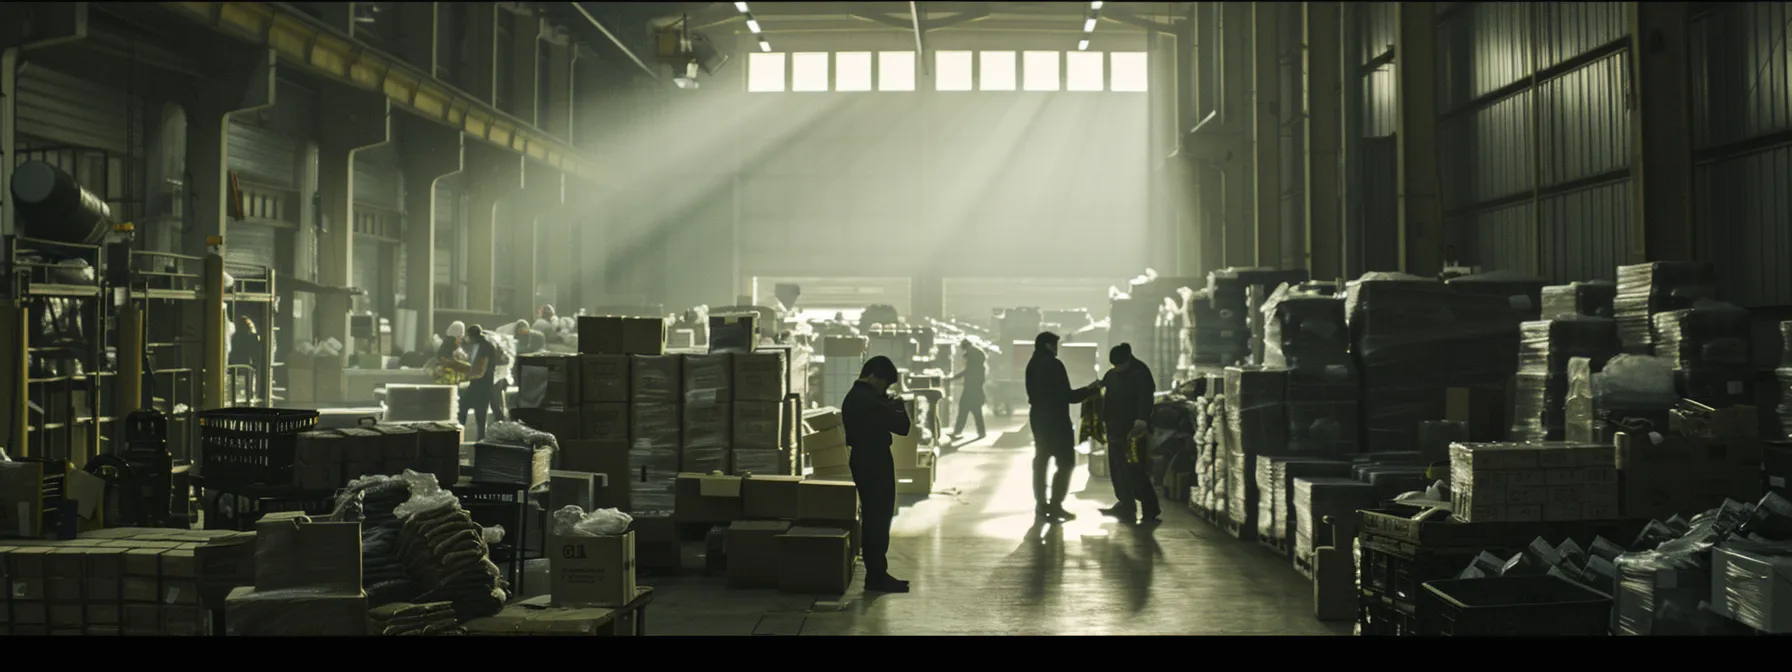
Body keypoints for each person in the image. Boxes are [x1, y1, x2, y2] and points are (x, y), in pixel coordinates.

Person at [842, 355, 913, 594]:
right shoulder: (867, 399)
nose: (886, 389)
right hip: (874, 460)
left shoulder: (855, 397)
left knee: (875, 516)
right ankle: (876, 577)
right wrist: (898, 403)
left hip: (864, 459)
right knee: (878, 518)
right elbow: (903, 426)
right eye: (885, 384)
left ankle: (878, 574)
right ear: (873, 377)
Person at [1025, 332, 1101, 522]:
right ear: (1049, 346)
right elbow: (1068, 396)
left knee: (1042, 460)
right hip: (1057, 419)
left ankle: (1041, 506)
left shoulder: (1032, 365)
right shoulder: (1054, 365)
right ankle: (1056, 505)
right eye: (1055, 345)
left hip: (1038, 418)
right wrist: (1090, 390)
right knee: (1066, 462)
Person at [1099, 343, 1161, 525]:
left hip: (1133, 431)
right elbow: (1104, 389)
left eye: (1119, 365)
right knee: (1117, 469)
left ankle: (1150, 507)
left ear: (1128, 360)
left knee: (1134, 469)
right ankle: (1125, 504)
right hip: (1114, 429)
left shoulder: (1141, 374)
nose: (1116, 369)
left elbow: (1145, 397)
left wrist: (1142, 419)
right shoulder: (1112, 374)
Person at [457, 324, 499, 439]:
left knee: (479, 414)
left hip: (483, 386)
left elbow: (481, 372)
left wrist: (464, 377)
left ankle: (478, 439)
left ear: (472, 336)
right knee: (464, 407)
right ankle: (459, 434)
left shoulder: (485, 347)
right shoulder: (480, 345)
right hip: (477, 385)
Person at [947, 346, 989, 442]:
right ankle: (980, 432)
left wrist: (952, 378)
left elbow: (965, 374)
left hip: (970, 392)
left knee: (964, 411)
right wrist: (953, 378)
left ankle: (958, 432)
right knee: (974, 413)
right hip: (975, 393)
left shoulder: (974, 368)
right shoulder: (980, 367)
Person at [229, 315, 262, 402]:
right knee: (249, 378)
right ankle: (250, 395)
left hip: (237, 361)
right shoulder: (252, 336)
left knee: (236, 377)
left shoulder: (235, 336)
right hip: (247, 361)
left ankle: (236, 395)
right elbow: (255, 349)